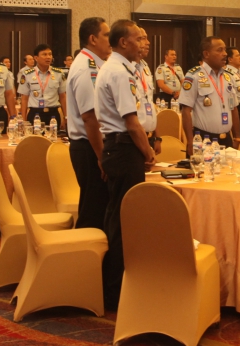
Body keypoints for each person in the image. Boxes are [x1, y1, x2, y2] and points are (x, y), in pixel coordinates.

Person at [95, 19, 155, 309]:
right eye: (138, 38)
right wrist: (147, 152)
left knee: (121, 217)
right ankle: (115, 290)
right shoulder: (118, 72)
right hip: (123, 147)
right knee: (123, 219)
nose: (143, 43)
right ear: (123, 42)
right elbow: (131, 122)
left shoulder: (125, 69)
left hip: (122, 147)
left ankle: (117, 285)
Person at [66, 17, 111, 230]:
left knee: (100, 208)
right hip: (89, 146)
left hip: (93, 145)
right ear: (93, 39)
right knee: (93, 211)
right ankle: (83, 248)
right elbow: (90, 117)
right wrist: (102, 157)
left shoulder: (98, 64)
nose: (111, 39)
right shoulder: (87, 67)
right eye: (107, 35)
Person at [180, 36, 240, 148]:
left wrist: (237, 137)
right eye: (219, 50)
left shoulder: (228, 77)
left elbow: (234, 108)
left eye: (225, 50)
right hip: (204, 138)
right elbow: (186, 111)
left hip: (226, 138)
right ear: (206, 54)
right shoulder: (194, 76)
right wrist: (190, 141)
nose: (225, 54)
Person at [18, 43, 67, 127]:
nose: (48, 57)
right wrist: (23, 120)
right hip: (35, 113)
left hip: (53, 114)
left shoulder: (59, 73)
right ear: (36, 58)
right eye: (44, 54)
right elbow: (24, 99)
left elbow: (63, 97)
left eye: (50, 54)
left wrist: (66, 116)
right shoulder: (27, 74)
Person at [135, 27, 159, 148]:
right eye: (143, 38)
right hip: (133, 138)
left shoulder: (145, 67)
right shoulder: (124, 69)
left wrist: (157, 136)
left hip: (149, 136)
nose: (148, 42)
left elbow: (150, 102)